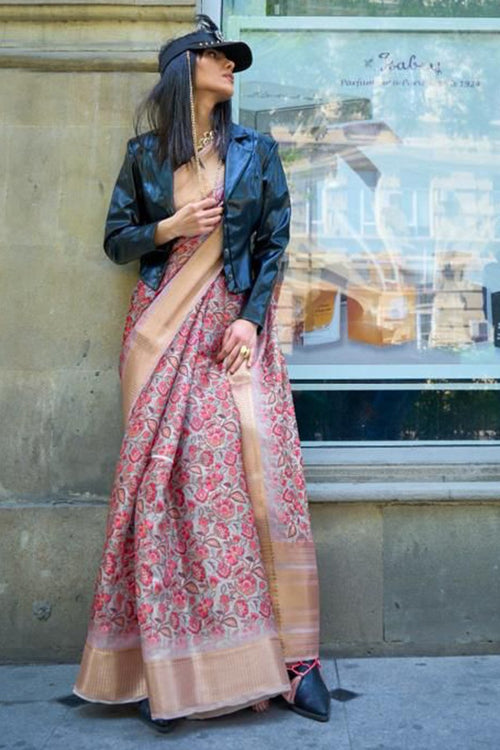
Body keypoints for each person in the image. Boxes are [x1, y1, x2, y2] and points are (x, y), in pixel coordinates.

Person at [73, 15, 330, 732]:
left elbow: (275, 241)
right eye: (218, 56)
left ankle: (294, 660)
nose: (230, 66)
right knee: (164, 487)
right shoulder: (145, 157)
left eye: (231, 58)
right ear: (186, 70)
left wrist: (250, 318)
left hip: (232, 330)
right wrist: (172, 226)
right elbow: (117, 240)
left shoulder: (256, 151)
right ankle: (165, 666)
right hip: (161, 331)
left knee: (262, 479)